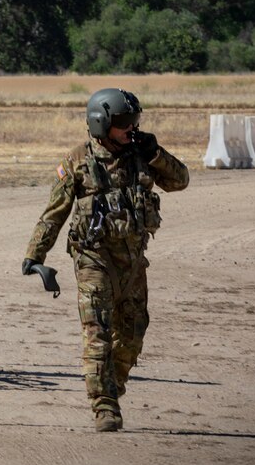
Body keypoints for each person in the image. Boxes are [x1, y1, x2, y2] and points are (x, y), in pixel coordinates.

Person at [22, 88, 189, 432]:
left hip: (133, 264)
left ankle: (111, 385)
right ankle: (104, 407)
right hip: (93, 261)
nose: (132, 128)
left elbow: (179, 181)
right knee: (97, 332)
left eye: (135, 121)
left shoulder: (142, 154)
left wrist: (157, 153)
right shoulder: (77, 161)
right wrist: (34, 256)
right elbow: (53, 214)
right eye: (124, 123)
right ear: (102, 123)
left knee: (132, 335)